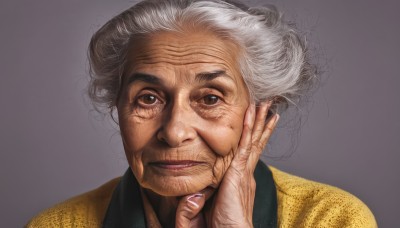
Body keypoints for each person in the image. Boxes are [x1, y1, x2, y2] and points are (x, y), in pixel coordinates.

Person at [27, 0, 377, 227]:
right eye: (148, 98)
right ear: (117, 106)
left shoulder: (331, 218)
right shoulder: (59, 223)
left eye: (210, 99)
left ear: (259, 111)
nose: (175, 132)